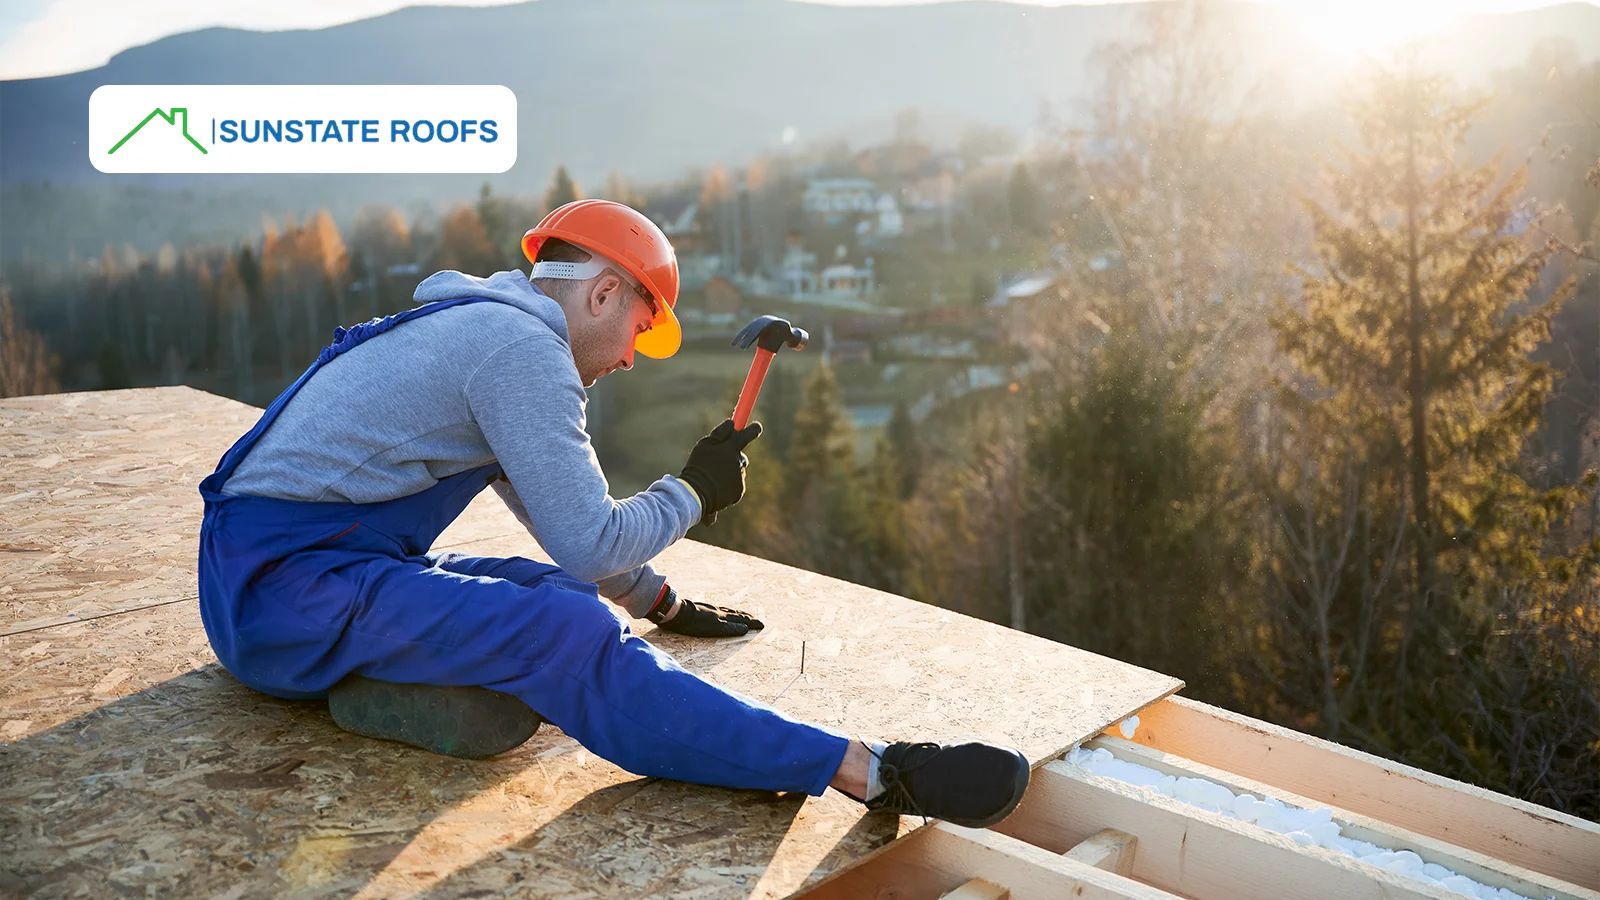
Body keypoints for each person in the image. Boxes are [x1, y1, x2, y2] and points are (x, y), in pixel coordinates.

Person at [196, 199, 1029, 827]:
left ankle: (375, 683)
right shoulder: (522, 351)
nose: (632, 356)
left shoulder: (484, 331)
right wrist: (695, 494)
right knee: (566, 636)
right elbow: (591, 531)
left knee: (559, 592)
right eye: (639, 324)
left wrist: (656, 601)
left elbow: (562, 531)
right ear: (601, 293)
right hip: (279, 595)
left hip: (290, 573)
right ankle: (867, 770)